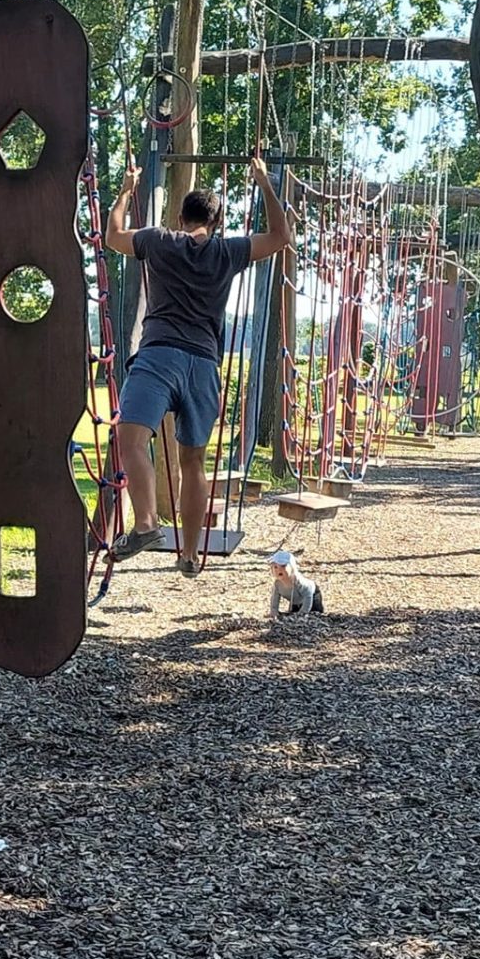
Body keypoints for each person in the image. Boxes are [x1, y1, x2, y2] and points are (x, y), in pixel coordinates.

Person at [106, 156, 292, 576]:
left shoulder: (158, 241)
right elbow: (281, 237)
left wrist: (125, 192)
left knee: (132, 440)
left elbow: (113, 235)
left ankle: (146, 524)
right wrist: (264, 184)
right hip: (203, 366)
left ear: (180, 217)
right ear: (216, 221)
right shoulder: (228, 251)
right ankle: (189, 555)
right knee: (193, 462)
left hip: (159, 356)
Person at [268, 548, 324, 620]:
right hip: (295, 601)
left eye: (283, 566)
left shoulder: (298, 581)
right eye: (275, 567)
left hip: (312, 596)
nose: (279, 570)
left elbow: (308, 596)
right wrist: (274, 612)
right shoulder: (277, 584)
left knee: (314, 616)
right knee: (292, 616)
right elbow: (275, 599)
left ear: (292, 567)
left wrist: (302, 613)